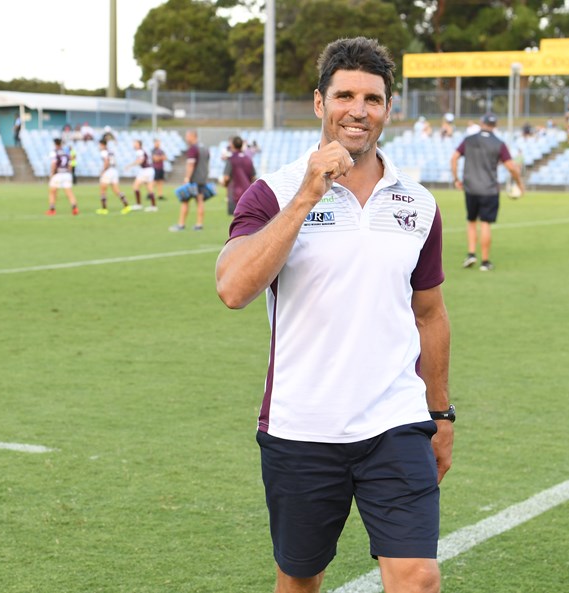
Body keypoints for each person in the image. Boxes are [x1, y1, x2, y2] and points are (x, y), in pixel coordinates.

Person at [215, 37, 453, 593]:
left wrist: (440, 414)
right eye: (345, 96)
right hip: (302, 425)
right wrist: (307, 195)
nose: (358, 110)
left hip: (395, 423)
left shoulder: (418, 203)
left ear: (388, 109)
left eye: (372, 99)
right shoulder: (273, 193)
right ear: (320, 103)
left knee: (418, 578)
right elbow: (232, 289)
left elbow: (430, 314)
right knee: (300, 580)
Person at [451, 113, 525, 272]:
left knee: (471, 221)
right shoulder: (499, 143)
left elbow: (454, 158)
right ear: (495, 125)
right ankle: (485, 262)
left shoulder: (468, 140)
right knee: (485, 223)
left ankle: (471, 254)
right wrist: (520, 184)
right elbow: (511, 167)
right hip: (489, 190)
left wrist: (456, 179)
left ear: (481, 123)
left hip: (470, 188)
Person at [170, 129, 210, 231]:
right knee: (200, 201)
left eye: (187, 136)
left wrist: (187, 178)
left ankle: (181, 224)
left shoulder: (193, 148)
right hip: (202, 179)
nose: (186, 138)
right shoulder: (205, 148)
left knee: (185, 201)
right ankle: (199, 224)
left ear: (193, 136)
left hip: (193, 180)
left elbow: (190, 165)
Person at [221, 136, 256, 215]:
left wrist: (225, 184)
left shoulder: (231, 159)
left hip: (235, 194)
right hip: (248, 193)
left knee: (237, 217)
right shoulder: (248, 159)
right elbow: (253, 177)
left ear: (232, 145)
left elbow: (226, 177)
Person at [96, 139, 131, 215]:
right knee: (116, 190)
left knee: (102, 190)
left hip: (108, 171)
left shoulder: (103, 152)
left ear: (102, 145)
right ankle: (126, 205)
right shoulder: (110, 151)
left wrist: (103, 171)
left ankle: (104, 209)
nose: (99, 146)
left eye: (99, 145)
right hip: (114, 171)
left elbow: (106, 161)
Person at [46, 138, 79, 216]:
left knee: (52, 191)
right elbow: (70, 164)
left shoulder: (54, 152)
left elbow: (54, 164)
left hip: (58, 174)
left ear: (55, 144)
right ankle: (75, 208)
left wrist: (52, 174)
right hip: (67, 174)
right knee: (69, 192)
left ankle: (52, 209)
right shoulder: (66, 152)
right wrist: (69, 172)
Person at [125, 139, 158, 212]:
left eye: (135, 143)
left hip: (145, 170)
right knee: (150, 188)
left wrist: (130, 165)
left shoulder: (139, 151)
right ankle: (153, 206)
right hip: (150, 170)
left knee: (135, 186)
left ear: (139, 145)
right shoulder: (143, 151)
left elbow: (141, 160)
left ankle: (138, 204)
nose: (134, 145)